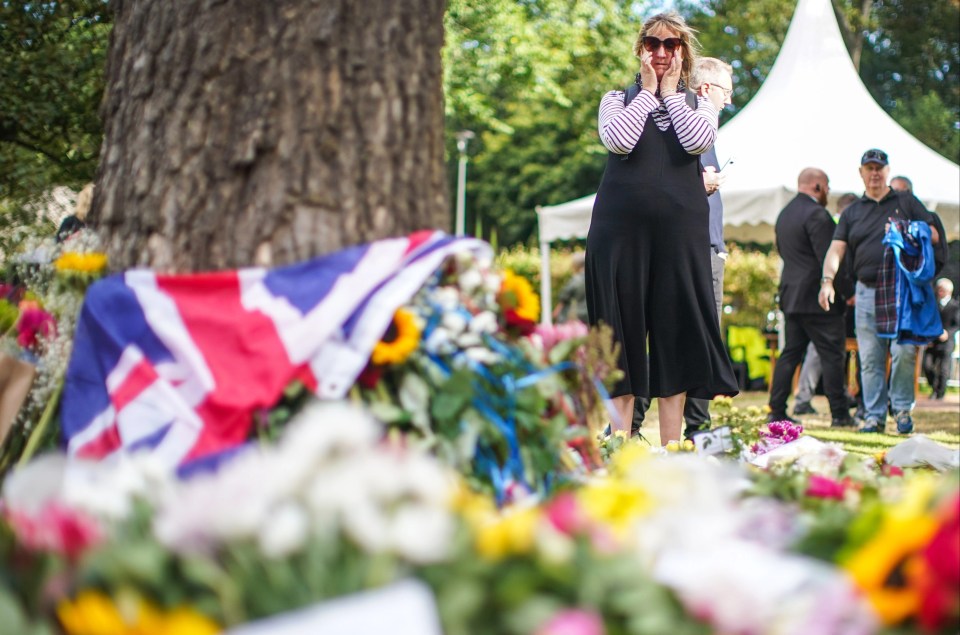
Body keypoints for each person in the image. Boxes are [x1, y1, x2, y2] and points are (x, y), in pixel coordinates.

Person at [586, 12, 739, 445]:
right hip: (619, 237)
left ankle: (673, 450)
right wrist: (648, 93)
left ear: (683, 53)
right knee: (621, 337)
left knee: (674, 338)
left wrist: (670, 94)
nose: (661, 52)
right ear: (640, 49)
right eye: (652, 44)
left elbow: (695, 143)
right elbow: (618, 140)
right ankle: (620, 444)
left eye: (671, 45)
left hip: (679, 240)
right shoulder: (615, 98)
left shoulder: (700, 105)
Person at [632, 56, 735, 440]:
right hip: (689, 251)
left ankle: (691, 429)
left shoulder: (698, 127)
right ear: (706, 89)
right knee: (685, 337)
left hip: (704, 249)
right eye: (725, 91)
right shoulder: (688, 124)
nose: (729, 99)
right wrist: (700, 185)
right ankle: (684, 429)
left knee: (692, 339)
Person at [819, 149, 943, 434]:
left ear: (887, 171)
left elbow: (934, 235)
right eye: (869, 168)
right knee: (871, 358)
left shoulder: (906, 201)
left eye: (879, 168)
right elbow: (836, 249)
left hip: (902, 293)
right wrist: (827, 281)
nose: (875, 173)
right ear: (861, 173)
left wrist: (907, 229)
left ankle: (900, 410)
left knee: (904, 352)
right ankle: (874, 416)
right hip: (865, 293)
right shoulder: (852, 212)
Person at [768, 169, 854, 427]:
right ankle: (839, 413)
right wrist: (847, 292)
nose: (828, 192)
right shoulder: (818, 215)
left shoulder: (784, 215)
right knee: (832, 355)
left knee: (789, 354)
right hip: (819, 298)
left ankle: (776, 409)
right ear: (817, 186)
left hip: (791, 296)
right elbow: (829, 258)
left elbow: (784, 253)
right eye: (826, 186)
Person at [793, 192, 858, 415]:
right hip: (833, 296)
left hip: (832, 295)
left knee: (823, 352)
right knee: (827, 351)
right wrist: (849, 292)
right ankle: (834, 403)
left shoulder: (832, 222)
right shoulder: (835, 225)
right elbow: (834, 261)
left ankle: (811, 397)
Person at [922, 278, 960, 399]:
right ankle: (934, 387)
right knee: (927, 365)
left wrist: (947, 333)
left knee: (944, 369)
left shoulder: (955, 306)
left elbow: (957, 324)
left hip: (947, 342)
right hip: (932, 341)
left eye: (941, 290)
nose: (939, 292)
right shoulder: (933, 305)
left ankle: (940, 393)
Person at [553, 251, 588, 324]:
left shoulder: (576, 279)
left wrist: (557, 311)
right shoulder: (592, 277)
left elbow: (564, 296)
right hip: (588, 314)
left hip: (575, 315)